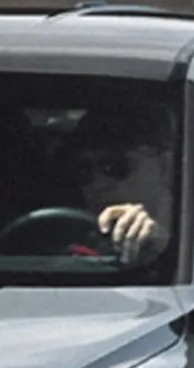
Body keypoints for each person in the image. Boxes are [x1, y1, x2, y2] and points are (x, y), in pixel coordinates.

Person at [64, 104, 177, 264]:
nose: (98, 184)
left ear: (165, 166)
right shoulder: (60, 238)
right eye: (83, 171)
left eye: (116, 167)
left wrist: (162, 248)